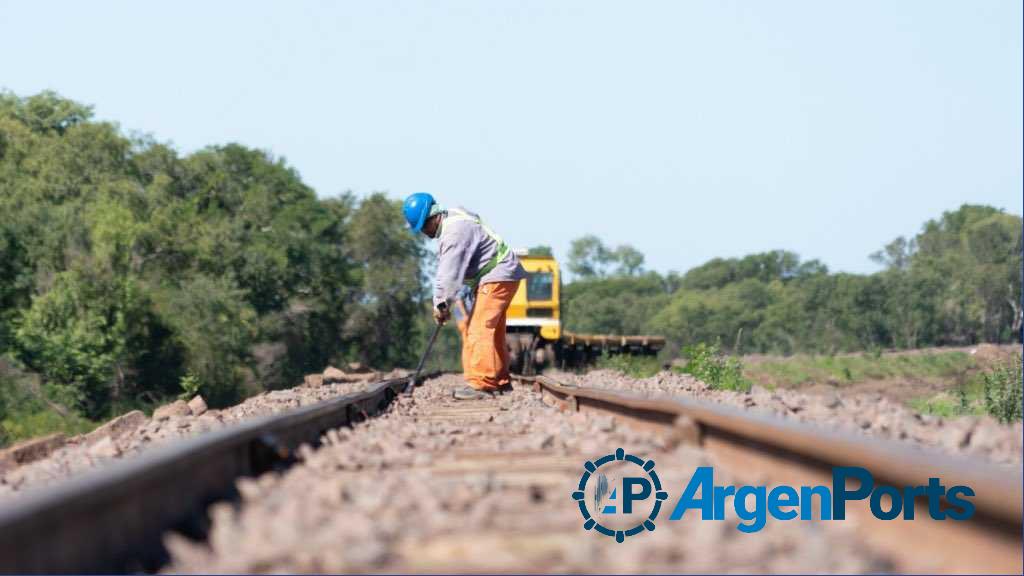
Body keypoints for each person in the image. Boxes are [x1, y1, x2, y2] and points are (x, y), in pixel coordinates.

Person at [403, 192, 526, 400]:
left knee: (479, 329)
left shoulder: (453, 233)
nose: (424, 232)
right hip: (500, 273)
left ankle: (482, 385)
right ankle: (500, 381)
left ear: (433, 217)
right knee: (493, 331)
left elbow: (448, 275)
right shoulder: (455, 216)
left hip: (497, 273)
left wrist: (440, 304)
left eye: (424, 226)